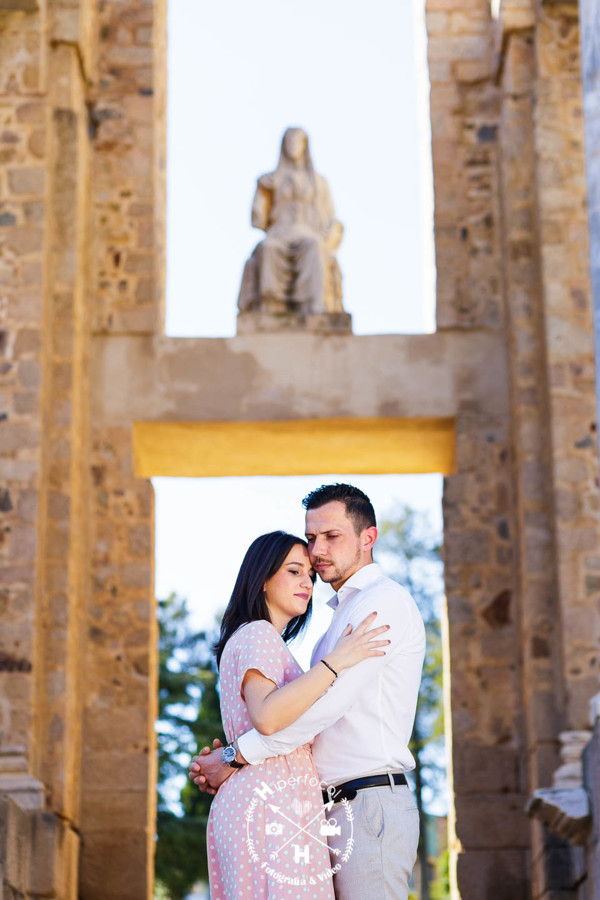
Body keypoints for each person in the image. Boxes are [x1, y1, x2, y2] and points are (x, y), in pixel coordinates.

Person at [190, 484, 426, 900]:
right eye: (312, 538)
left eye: (331, 537)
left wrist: (235, 756)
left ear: (367, 538)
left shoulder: (381, 603)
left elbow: (326, 709)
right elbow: (296, 712)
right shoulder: (326, 630)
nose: (318, 551)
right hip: (319, 809)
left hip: (366, 803)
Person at [237, 127, 345, 315]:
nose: (293, 147)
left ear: (304, 146)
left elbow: (330, 218)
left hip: (308, 232)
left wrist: (331, 233)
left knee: (314, 246)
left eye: (297, 142)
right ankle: (272, 305)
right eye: (289, 142)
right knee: (268, 248)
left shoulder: (319, 183)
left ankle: (313, 305)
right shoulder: (272, 180)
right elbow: (258, 220)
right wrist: (262, 192)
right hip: (280, 232)